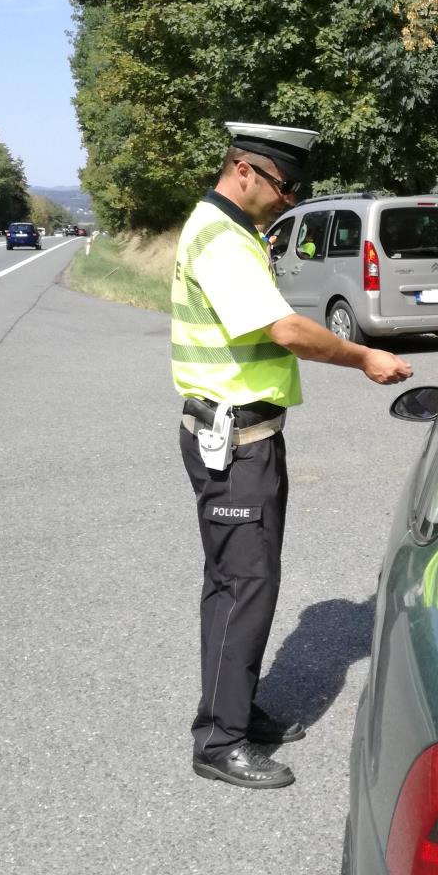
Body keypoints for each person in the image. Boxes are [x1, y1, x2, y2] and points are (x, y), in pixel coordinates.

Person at [172, 122, 413, 790]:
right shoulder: (221, 237)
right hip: (235, 443)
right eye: (284, 185)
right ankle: (219, 741)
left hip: (246, 436)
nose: (290, 199)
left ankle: (235, 708)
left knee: (239, 581)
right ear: (244, 169)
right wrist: (363, 354)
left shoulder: (235, 228)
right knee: (242, 585)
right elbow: (283, 328)